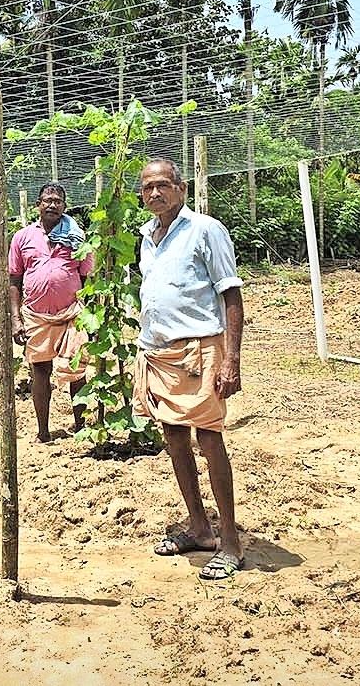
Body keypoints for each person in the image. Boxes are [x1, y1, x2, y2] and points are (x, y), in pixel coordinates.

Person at [133, 158, 246, 580]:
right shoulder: (148, 237)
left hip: (200, 351)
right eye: (147, 188)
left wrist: (231, 358)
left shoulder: (205, 229)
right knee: (174, 438)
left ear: (181, 188)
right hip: (158, 353)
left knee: (210, 440)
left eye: (163, 185)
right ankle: (199, 527)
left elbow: (231, 296)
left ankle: (230, 541)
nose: (155, 193)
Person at [9, 182, 93, 441]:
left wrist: (87, 314)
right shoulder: (22, 237)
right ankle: (43, 432)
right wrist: (15, 319)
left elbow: (87, 276)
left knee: (77, 370)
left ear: (65, 207)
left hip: (71, 314)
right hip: (35, 315)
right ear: (38, 205)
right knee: (40, 371)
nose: (52, 204)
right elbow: (14, 280)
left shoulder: (77, 237)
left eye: (58, 201)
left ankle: (81, 427)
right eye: (47, 200)